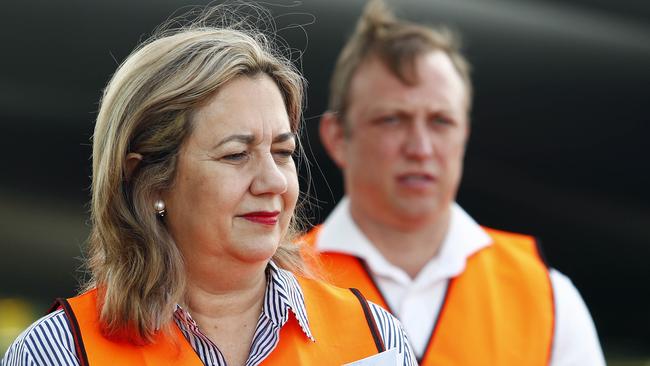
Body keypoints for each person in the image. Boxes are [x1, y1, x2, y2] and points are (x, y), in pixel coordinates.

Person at [1, 5, 417, 366]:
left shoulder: (375, 339)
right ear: (148, 181)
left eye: (282, 152)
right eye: (236, 155)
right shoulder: (60, 353)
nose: (272, 180)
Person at [304, 0, 606, 365]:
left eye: (441, 121)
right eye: (391, 120)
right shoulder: (278, 282)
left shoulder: (547, 297)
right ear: (338, 138)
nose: (420, 147)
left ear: (465, 134)